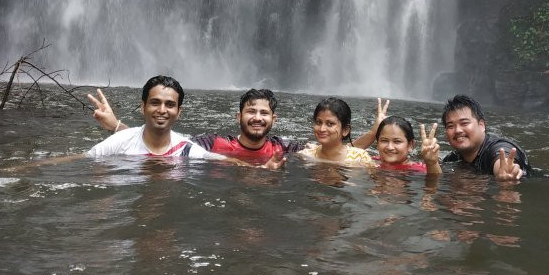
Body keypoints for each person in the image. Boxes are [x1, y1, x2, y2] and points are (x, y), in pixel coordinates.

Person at [89, 87, 382, 161]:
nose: (257, 117)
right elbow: (166, 142)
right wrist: (117, 127)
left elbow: (334, 151)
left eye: (264, 113)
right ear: (238, 116)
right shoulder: (212, 144)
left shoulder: (284, 149)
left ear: (273, 120)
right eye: (250, 111)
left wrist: (375, 132)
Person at [87, 75, 220, 159]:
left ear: (179, 112)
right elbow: (80, 159)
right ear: (143, 107)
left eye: (170, 104)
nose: (162, 110)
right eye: (155, 103)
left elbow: (227, 162)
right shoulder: (118, 142)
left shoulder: (187, 150)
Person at [440, 94, 529, 181]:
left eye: (464, 123)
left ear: (481, 125)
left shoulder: (498, 147)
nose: (457, 130)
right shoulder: (453, 158)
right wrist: (431, 163)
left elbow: (502, 158)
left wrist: (505, 173)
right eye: (450, 126)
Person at [298, 97, 377, 167]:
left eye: (330, 124)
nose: (322, 129)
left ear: (345, 130)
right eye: (318, 122)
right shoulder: (306, 155)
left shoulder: (360, 158)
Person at [374, 116, 442, 175]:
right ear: (377, 143)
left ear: (410, 145)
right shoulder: (371, 161)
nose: (390, 147)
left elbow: (434, 186)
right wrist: (372, 132)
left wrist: (432, 163)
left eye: (397, 141)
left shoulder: (418, 169)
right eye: (384, 141)